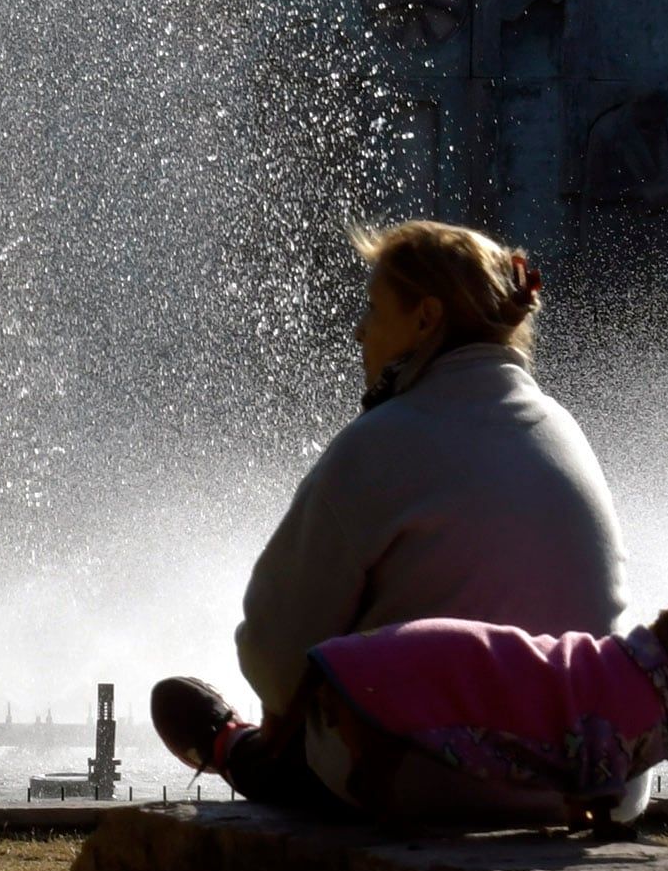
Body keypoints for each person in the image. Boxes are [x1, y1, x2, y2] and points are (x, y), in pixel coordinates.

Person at [153, 221, 628, 809]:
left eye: (375, 309)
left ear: (426, 319)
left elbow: (276, 654)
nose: (359, 332)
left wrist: (288, 723)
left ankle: (234, 749)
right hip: (587, 780)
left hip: (442, 787)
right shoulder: (564, 430)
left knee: (256, 723)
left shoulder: (382, 441)